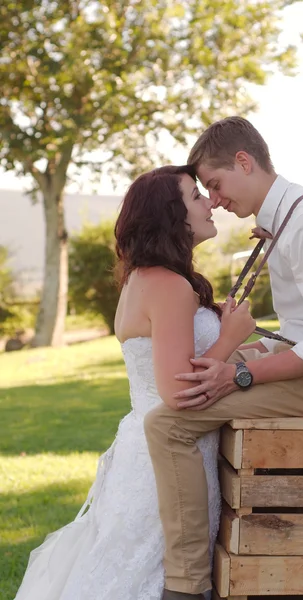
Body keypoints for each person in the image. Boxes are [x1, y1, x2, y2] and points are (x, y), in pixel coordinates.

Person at [144, 117, 303, 600]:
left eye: (215, 184)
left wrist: (237, 373)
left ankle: (185, 588)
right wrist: (238, 352)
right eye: (205, 192)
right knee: (189, 377)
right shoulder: (290, 220)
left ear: (244, 162)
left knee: (166, 424)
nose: (213, 199)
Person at [13, 165, 256, 600]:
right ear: (170, 215)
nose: (209, 203)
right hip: (166, 460)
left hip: (143, 452)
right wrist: (230, 337)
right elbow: (179, 393)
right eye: (196, 196)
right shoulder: (168, 286)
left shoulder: (144, 280)